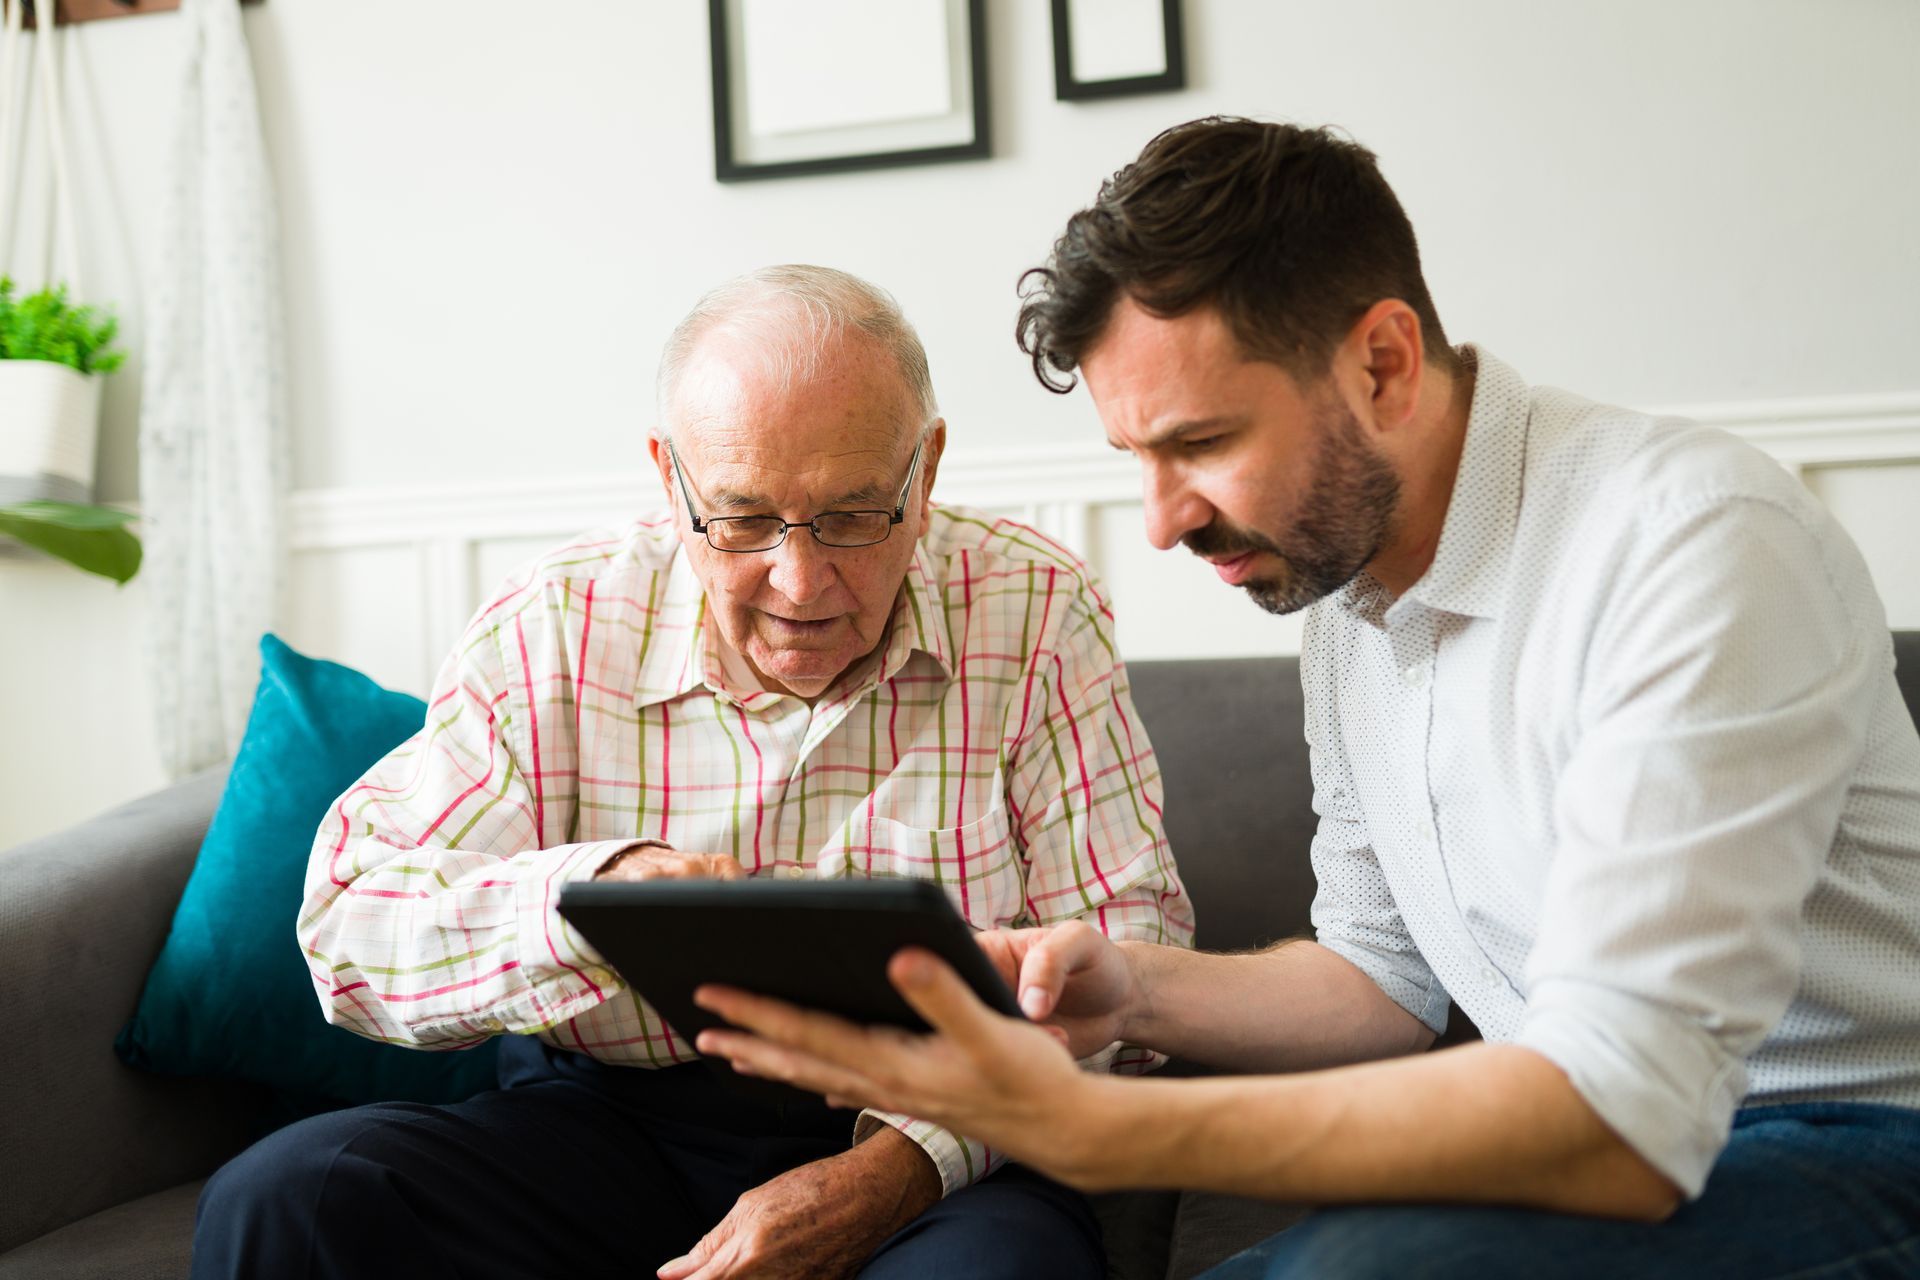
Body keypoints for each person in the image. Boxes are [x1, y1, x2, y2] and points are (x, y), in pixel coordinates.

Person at [694, 120, 1920, 1279]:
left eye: (1202, 442)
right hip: (1608, 1152)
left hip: (1849, 1143)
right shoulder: (1343, 587)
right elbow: (1381, 982)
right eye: (1137, 459)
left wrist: (1102, 1128)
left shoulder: (1692, 546)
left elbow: (1622, 1111)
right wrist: (1127, 985)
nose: (1164, 520)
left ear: (1382, 362)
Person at [191, 265, 1193, 1280]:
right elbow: (349, 925)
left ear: (923, 471)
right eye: (744, 519)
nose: (799, 583)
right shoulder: (558, 622)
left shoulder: (1034, 610)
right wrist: (591, 900)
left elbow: (1133, 953)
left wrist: (903, 1167)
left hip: (939, 1130)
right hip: (604, 1123)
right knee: (291, 1199)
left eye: (851, 516)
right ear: (671, 480)